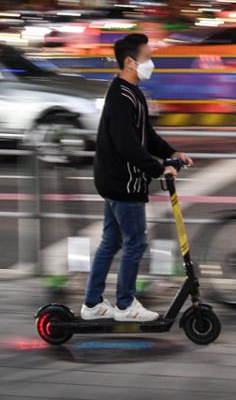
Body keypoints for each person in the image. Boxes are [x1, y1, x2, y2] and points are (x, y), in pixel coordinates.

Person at [80, 33, 193, 322]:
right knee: (135, 243)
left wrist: (172, 153)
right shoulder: (120, 97)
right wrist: (158, 169)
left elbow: (147, 135)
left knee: (111, 241)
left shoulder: (131, 92)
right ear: (130, 62)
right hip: (123, 183)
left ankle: (92, 304)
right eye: (148, 57)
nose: (151, 62)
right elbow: (127, 145)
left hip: (116, 180)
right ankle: (125, 305)